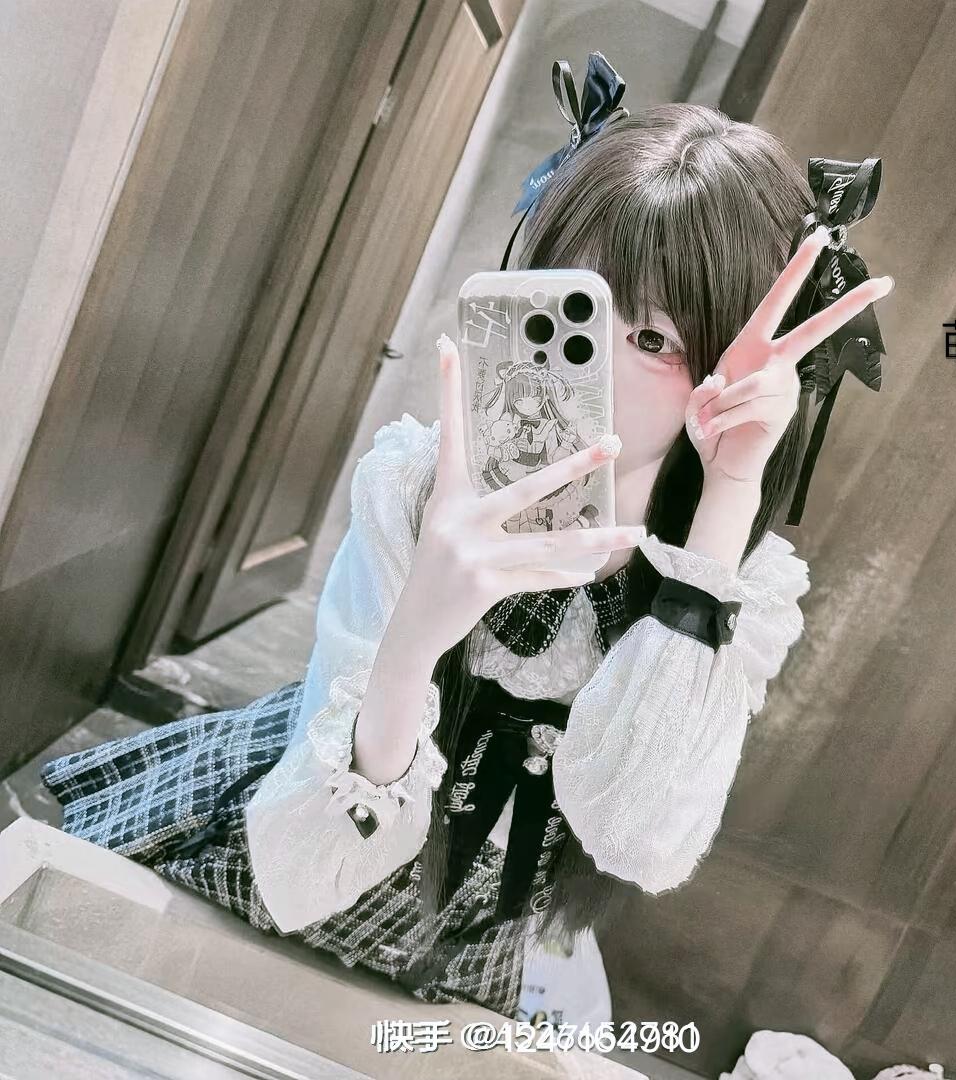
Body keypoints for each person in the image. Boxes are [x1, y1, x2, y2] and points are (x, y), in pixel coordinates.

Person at [40, 101, 892, 1020]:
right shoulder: (414, 482)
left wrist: (729, 496)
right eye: (570, 314)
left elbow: (639, 840)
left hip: (462, 941)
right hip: (290, 843)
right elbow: (300, 868)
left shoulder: (743, 586)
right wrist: (419, 630)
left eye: (653, 341)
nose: (594, 376)